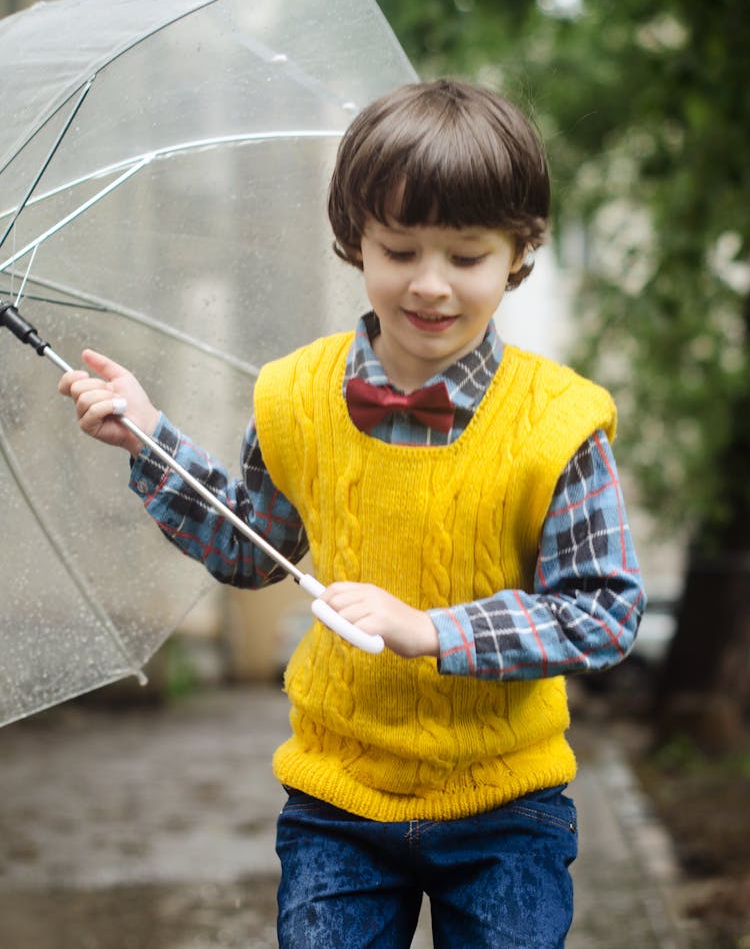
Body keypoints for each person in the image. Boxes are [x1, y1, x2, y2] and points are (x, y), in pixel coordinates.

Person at [60, 78, 645, 949]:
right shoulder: (295, 396)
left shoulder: (558, 425)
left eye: (467, 255)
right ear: (354, 242)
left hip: (505, 805)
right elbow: (253, 548)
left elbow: (604, 612)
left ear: (520, 251)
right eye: (400, 251)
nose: (432, 286)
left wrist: (438, 630)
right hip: (336, 799)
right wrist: (150, 441)